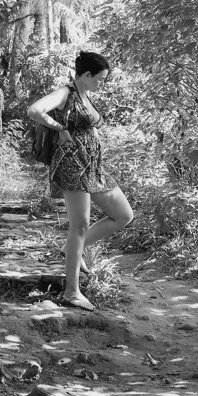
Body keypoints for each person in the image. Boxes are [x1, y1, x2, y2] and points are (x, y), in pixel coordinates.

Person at [27, 51, 133, 311]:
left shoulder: (86, 97)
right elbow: (35, 110)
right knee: (80, 225)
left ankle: (71, 249)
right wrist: (60, 128)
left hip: (93, 167)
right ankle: (71, 292)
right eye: (100, 79)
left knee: (123, 215)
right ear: (86, 75)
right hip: (72, 165)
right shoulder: (66, 93)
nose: (102, 84)